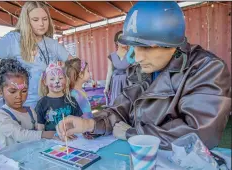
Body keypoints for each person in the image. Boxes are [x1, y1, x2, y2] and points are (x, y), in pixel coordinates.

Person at [56, 1, 231, 150]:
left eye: (146, 47)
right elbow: (121, 110)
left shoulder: (207, 69)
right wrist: (91, 124)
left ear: (171, 43)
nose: (138, 57)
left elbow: (200, 135)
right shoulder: (139, 69)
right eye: (135, 47)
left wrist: (134, 133)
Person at [0, 1, 72, 109]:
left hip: (50, 106)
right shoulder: (14, 40)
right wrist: (8, 79)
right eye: (35, 20)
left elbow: (76, 65)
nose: (41, 24)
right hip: (24, 107)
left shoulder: (52, 44)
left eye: (45, 19)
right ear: (26, 21)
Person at [0, 59, 57, 149]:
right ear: (0, 91)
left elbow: (39, 130)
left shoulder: (30, 111)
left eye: (24, 91)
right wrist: (45, 134)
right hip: (10, 161)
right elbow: (19, 134)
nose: (19, 96)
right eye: (13, 91)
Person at [35, 63, 82, 140]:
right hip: (52, 143)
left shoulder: (72, 101)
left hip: (72, 141)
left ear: (66, 80)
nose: (57, 81)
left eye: (60, 78)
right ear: (45, 82)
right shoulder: (41, 103)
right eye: (52, 79)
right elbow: (40, 130)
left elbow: (79, 122)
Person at [104, 31, 130, 106]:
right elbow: (109, 72)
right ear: (116, 42)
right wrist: (106, 87)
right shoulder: (111, 56)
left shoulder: (131, 55)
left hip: (128, 83)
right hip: (116, 84)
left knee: (127, 104)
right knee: (116, 104)